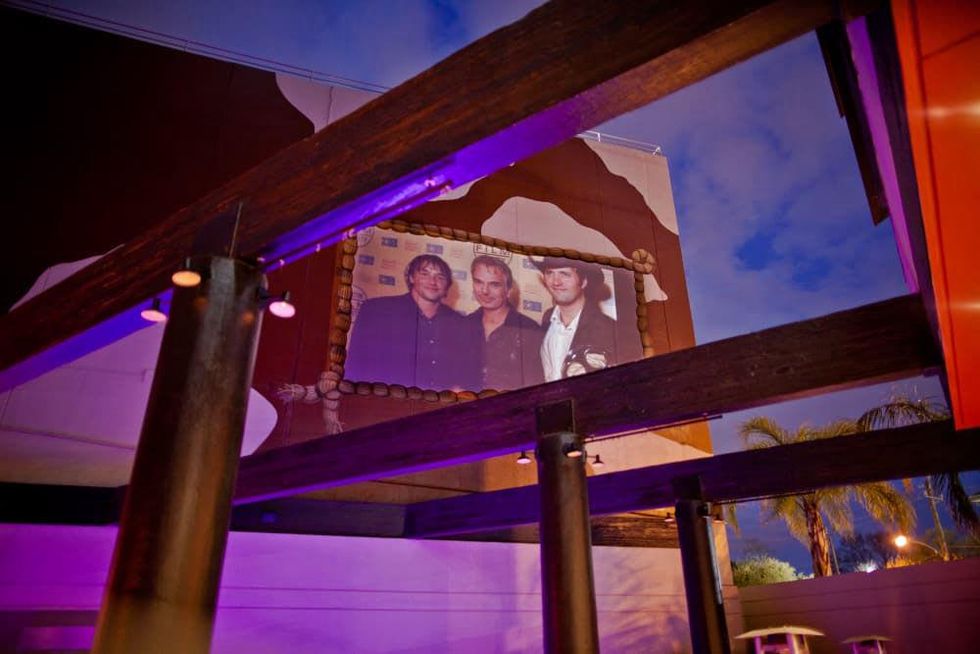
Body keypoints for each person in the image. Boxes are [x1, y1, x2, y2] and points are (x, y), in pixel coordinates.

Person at [345, 254, 481, 390]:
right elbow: (356, 366)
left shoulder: (460, 324)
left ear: (447, 286)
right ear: (411, 278)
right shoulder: (378, 310)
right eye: (425, 274)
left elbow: (468, 378)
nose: (433, 281)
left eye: (440, 277)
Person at [466, 255, 543, 390]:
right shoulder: (463, 325)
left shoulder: (529, 330)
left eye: (494, 284)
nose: (484, 291)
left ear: (508, 291)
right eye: (479, 282)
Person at [535, 256, 617, 381]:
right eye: (549, 273)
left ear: (583, 282)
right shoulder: (547, 317)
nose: (555, 282)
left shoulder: (607, 328)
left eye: (565, 274)